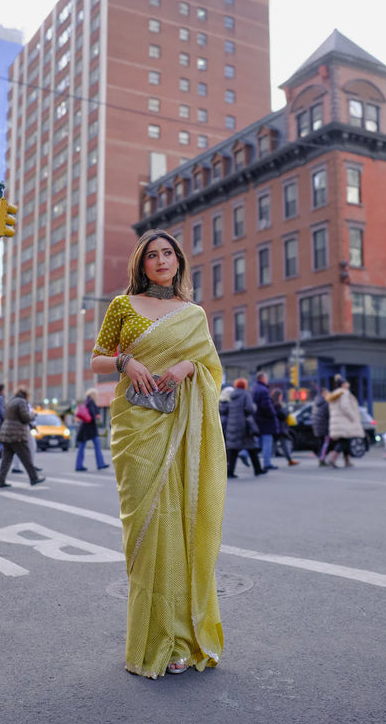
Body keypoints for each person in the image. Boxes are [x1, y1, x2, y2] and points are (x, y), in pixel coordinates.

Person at [91, 229, 226, 679]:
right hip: (135, 424)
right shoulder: (122, 306)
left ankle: (181, 639)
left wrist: (188, 365)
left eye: (168, 253)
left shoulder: (193, 314)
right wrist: (127, 362)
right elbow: (96, 359)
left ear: (179, 261)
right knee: (146, 533)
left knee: (182, 526)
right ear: (141, 264)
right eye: (152, 255)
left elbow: (210, 367)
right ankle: (151, 640)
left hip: (180, 424)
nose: (162, 260)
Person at [0, 387, 45, 488]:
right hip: (17, 434)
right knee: (26, 457)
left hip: (6, 432)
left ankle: (1, 480)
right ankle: (34, 478)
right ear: (26, 394)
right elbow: (25, 417)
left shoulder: (11, 401)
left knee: (6, 459)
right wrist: (33, 415)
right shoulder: (22, 402)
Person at [225, 378, 263, 477]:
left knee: (233, 449)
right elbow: (250, 408)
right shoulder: (245, 395)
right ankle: (258, 469)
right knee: (252, 448)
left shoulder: (232, 396)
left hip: (232, 424)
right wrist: (255, 407)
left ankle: (230, 471)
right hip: (244, 425)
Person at [325, 375, 364, 468]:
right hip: (344, 422)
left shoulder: (335, 394)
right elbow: (345, 407)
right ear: (343, 384)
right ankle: (333, 458)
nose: (348, 384)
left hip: (338, 422)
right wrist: (353, 417)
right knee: (344, 441)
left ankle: (347, 460)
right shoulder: (344, 393)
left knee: (345, 440)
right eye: (346, 383)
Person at [250, 370, 279, 471]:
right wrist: (273, 414)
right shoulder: (263, 390)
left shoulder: (253, 388)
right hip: (265, 420)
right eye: (266, 378)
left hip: (256, 418)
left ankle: (244, 453)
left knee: (256, 440)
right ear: (262, 378)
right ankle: (267, 463)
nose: (267, 380)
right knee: (267, 440)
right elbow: (266, 405)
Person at [75, 389, 109, 471]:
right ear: (93, 395)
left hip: (84, 428)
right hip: (90, 428)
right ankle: (100, 463)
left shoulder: (86, 401)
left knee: (82, 447)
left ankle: (79, 465)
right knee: (97, 445)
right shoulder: (91, 402)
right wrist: (96, 420)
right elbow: (92, 415)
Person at [270, 389, 299, 466]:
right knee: (283, 444)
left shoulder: (272, 404)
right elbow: (282, 415)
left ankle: (289, 459)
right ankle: (289, 460)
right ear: (279, 396)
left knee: (275, 444)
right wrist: (286, 413)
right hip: (280, 427)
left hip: (276, 427)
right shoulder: (277, 405)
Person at [311, 386, 330, 466]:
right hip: (324, 426)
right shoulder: (325, 403)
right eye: (327, 393)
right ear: (323, 393)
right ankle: (322, 459)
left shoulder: (316, 402)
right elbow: (328, 414)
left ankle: (321, 457)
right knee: (326, 443)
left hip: (317, 425)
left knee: (322, 442)